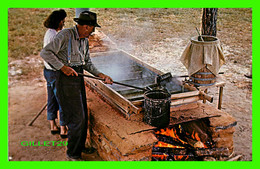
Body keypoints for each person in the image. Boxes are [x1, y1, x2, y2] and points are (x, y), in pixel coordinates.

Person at [40, 11, 113, 161]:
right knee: (76, 118)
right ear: (86, 27)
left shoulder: (84, 41)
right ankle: (72, 154)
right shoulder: (65, 35)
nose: (93, 32)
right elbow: (45, 53)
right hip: (65, 80)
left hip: (77, 77)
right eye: (92, 29)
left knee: (83, 115)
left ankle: (79, 146)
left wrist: (101, 75)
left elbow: (87, 63)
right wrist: (63, 67)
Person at [43, 9, 68, 138]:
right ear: (58, 21)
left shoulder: (49, 33)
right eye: (63, 21)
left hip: (47, 70)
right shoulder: (54, 36)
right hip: (55, 72)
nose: (63, 24)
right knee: (62, 99)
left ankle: (53, 125)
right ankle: (63, 128)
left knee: (51, 98)